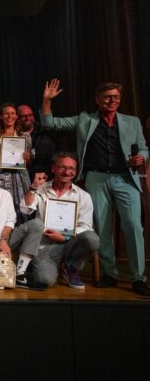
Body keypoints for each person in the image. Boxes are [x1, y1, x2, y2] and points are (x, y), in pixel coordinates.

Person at [41, 79, 149, 295]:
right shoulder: (85, 119)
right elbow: (51, 123)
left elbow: (145, 149)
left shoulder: (132, 121)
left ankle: (138, 277)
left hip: (125, 178)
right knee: (103, 227)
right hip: (96, 178)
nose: (112, 100)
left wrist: (140, 157)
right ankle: (110, 273)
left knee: (134, 227)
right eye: (108, 96)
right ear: (98, 99)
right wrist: (46, 101)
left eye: (116, 97)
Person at [20, 153, 100, 289]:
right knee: (45, 280)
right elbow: (26, 210)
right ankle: (43, 268)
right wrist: (33, 187)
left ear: (75, 171)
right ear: (53, 169)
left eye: (71, 169)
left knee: (92, 238)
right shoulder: (41, 188)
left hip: (70, 243)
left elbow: (86, 226)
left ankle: (72, 267)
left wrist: (65, 237)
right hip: (46, 244)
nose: (67, 172)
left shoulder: (83, 196)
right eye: (62, 167)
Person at [17, 104, 56, 176]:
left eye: (30, 115)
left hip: (41, 174)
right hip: (19, 174)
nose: (27, 118)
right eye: (23, 116)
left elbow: (44, 150)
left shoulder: (43, 131)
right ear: (17, 118)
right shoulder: (13, 133)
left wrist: (31, 154)